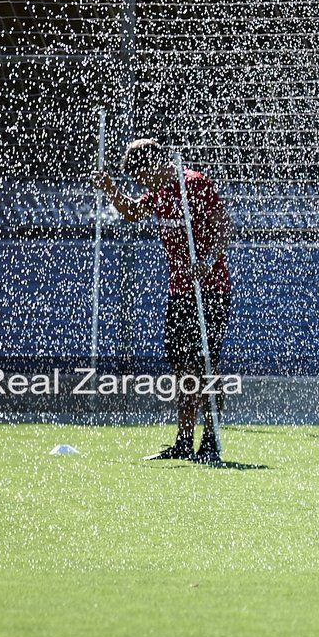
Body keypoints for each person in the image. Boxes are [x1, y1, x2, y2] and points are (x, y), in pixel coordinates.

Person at [94, 138, 232, 463]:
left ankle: (210, 441)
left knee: (204, 366)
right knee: (183, 367)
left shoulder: (194, 184)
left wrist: (208, 260)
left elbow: (224, 227)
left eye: (142, 176)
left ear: (156, 164)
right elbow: (132, 213)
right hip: (180, 292)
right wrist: (110, 189)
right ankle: (183, 441)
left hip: (209, 289)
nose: (141, 183)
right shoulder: (158, 191)